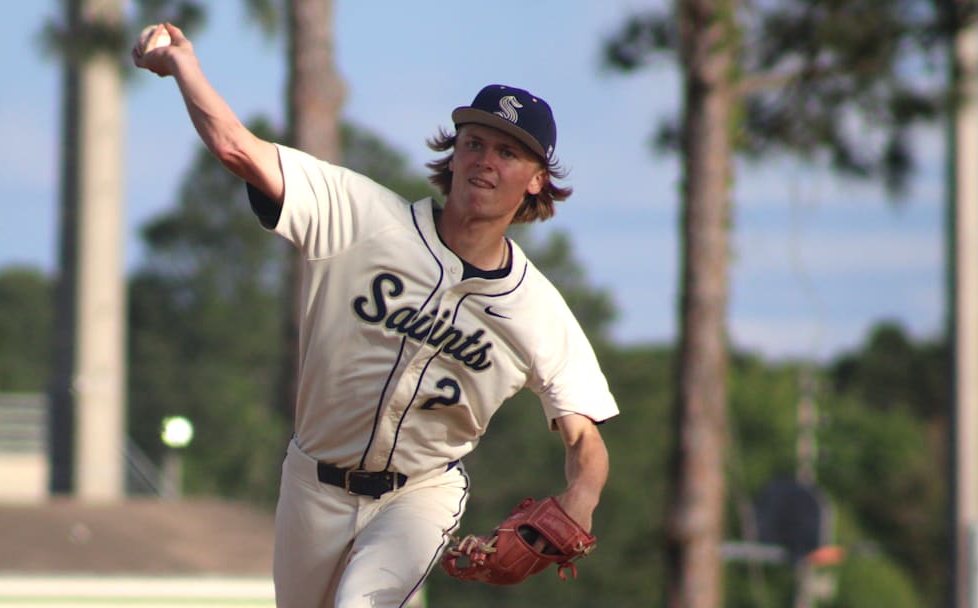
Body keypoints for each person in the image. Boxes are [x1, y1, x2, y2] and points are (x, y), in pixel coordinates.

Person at [133, 23, 619, 608]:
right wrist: (184, 66)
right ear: (454, 151)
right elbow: (237, 148)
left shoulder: (536, 309)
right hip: (312, 481)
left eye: (508, 151)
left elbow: (584, 438)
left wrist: (580, 500)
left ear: (538, 179)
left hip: (420, 495)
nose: (485, 160)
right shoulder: (363, 218)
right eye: (474, 143)